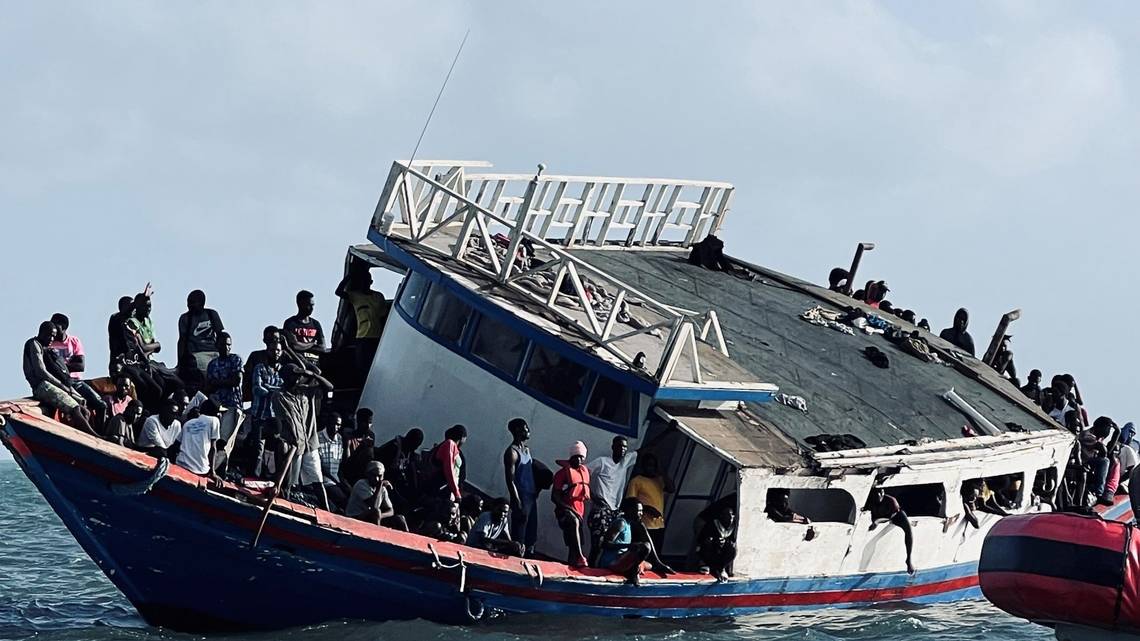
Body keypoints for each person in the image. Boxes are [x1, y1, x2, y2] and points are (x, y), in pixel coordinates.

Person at [23, 321, 96, 435]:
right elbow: (41, 371)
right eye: (50, 335)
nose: (52, 338)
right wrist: (62, 386)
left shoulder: (46, 349)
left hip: (55, 384)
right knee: (75, 408)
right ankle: (92, 435)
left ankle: (84, 433)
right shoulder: (34, 344)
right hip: (42, 386)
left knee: (83, 406)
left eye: (54, 336)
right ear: (42, 333)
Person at [274, 364, 334, 497]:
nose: (297, 377)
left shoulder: (306, 391)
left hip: (311, 442)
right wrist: (297, 444)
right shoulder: (279, 396)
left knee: (318, 481)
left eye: (298, 375)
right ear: (285, 377)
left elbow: (329, 387)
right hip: (294, 444)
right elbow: (288, 421)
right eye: (293, 374)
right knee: (290, 482)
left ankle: (326, 511)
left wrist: (312, 374)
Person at [48, 313, 106, 427]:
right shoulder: (48, 342)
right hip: (57, 382)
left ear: (63, 327)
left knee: (101, 405)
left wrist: (59, 366)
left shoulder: (74, 341)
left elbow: (80, 366)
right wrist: (65, 366)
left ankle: (100, 432)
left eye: (56, 326)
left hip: (75, 382)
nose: (53, 329)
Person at [586, 436, 638, 564]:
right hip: (602, 509)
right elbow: (582, 473)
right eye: (620, 446)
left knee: (613, 542)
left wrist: (667, 432)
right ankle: (589, 570)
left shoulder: (625, 462)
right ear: (613, 447)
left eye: (625, 447)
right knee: (597, 544)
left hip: (615, 511)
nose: (623, 449)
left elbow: (644, 450)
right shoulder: (602, 462)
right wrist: (592, 495)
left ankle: (602, 568)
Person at [336, 268, 391, 375]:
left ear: (371, 282)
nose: (364, 284)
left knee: (376, 365)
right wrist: (349, 276)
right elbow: (338, 292)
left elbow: (383, 315)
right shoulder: (355, 296)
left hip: (376, 336)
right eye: (362, 281)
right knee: (362, 366)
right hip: (362, 337)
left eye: (366, 281)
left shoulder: (378, 296)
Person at [205, 332, 243, 471]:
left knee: (224, 443)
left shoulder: (235, 359)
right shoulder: (212, 364)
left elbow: (236, 381)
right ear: (217, 345)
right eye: (223, 344)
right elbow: (208, 386)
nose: (226, 347)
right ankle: (210, 468)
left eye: (228, 345)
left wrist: (217, 383)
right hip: (217, 406)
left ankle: (221, 471)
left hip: (233, 405)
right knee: (213, 440)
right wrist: (222, 383)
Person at [597, 498, 656, 585]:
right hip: (612, 561)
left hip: (622, 558)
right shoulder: (621, 523)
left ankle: (634, 567)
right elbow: (605, 544)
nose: (641, 514)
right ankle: (632, 571)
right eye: (639, 511)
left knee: (649, 565)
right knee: (645, 546)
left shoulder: (629, 524)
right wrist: (629, 546)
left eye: (641, 511)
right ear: (629, 511)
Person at [247, 340, 284, 477]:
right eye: (272, 350)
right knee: (257, 450)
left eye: (278, 350)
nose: (275, 353)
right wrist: (274, 392)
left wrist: (268, 388)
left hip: (275, 418)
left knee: (273, 451)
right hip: (260, 416)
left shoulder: (283, 371)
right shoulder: (260, 368)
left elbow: (285, 390)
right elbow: (257, 388)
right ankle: (253, 477)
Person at [552, 441, 591, 568]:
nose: (579, 459)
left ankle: (573, 566)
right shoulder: (562, 474)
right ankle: (580, 556)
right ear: (571, 457)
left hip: (579, 510)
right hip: (565, 511)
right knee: (573, 522)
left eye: (581, 457)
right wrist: (568, 508)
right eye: (576, 456)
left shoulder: (584, 472)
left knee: (574, 540)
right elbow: (555, 497)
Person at [503, 418, 538, 556]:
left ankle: (528, 557)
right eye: (525, 428)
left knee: (531, 534)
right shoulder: (512, 452)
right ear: (517, 430)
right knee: (520, 535)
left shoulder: (527, 450)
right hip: (521, 496)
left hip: (531, 496)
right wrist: (516, 500)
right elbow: (510, 480)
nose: (528, 430)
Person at [625, 452, 674, 552]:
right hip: (644, 524)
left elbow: (671, 489)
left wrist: (662, 472)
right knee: (643, 551)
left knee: (656, 552)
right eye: (648, 465)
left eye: (653, 466)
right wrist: (647, 508)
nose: (650, 468)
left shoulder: (659, 480)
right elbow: (631, 501)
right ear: (643, 466)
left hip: (659, 524)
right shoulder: (637, 480)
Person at [177, 290, 225, 389]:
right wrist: (180, 362)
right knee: (207, 377)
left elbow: (221, 335)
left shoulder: (211, 314)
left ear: (202, 302)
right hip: (198, 353)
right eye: (188, 302)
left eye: (192, 302)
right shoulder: (185, 318)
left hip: (215, 352)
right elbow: (182, 341)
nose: (189, 305)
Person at [345, 461, 407, 530]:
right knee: (376, 512)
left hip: (374, 517)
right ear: (367, 475)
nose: (377, 479)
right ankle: (377, 535)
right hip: (355, 518)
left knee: (400, 518)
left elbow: (391, 510)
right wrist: (380, 486)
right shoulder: (361, 484)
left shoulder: (381, 488)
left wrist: (381, 516)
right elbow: (373, 506)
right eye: (373, 475)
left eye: (379, 476)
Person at [867, 487, 915, 575]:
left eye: (880, 494)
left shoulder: (891, 500)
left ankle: (908, 559)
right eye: (876, 495)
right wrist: (874, 522)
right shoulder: (872, 501)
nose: (878, 496)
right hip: (881, 517)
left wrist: (876, 522)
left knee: (908, 531)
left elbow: (890, 517)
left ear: (883, 493)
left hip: (896, 516)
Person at [377, 427, 425, 510]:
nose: (416, 448)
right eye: (415, 445)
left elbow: (412, 473)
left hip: (400, 484)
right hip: (387, 482)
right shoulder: (392, 448)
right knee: (402, 504)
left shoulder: (410, 452)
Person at [176, 400, 223, 478]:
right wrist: (213, 472)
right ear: (215, 413)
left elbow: (177, 443)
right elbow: (213, 448)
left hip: (181, 463)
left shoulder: (188, 423)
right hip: (199, 469)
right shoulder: (214, 421)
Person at [283, 290, 327, 367]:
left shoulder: (316, 324)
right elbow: (294, 346)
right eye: (308, 305)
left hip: (315, 362)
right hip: (298, 362)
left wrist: (302, 346)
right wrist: (313, 344)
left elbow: (323, 347)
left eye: (313, 305)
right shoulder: (290, 323)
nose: (312, 308)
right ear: (300, 304)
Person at [696, 502, 737, 582]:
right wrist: (714, 540)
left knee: (733, 547)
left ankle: (722, 568)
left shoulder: (734, 528)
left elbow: (733, 540)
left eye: (731, 515)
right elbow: (701, 538)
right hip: (712, 549)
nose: (729, 518)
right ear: (721, 516)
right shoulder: (712, 524)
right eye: (726, 515)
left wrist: (725, 542)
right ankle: (705, 564)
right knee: (708, 542)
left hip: (722, 553)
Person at [243, 326, 281, 403]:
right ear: (264, 340)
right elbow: (247, 376)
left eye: (277, 339)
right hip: (259, 398)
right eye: (271, 339)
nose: (274, 341)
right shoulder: (256, 356)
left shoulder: (283, 356)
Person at [340, 408, 377, 486]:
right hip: (353, 476)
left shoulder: (370, 435)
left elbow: (371, 458)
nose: (368, 426)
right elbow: (347, 464)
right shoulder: (349, 438)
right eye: (365, 422)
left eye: (370, 422)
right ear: (358, 422)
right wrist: (361, 447)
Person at [431, 424, 467, 502]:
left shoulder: (455, 449)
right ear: (461, 438)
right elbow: (449, 468)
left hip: (447, 490)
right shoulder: (449, 444)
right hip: (440, 488)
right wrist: (456, 493)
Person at [107, 295, 135, 365]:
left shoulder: (133, 320)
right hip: (119, 361)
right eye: (130, 306)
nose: (133, 308)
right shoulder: (115, 318)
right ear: (122, 307)